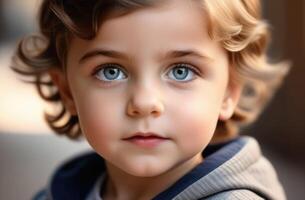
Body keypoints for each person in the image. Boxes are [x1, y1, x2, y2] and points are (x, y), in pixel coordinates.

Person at [11, 0, 289, 199]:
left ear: (230, 91)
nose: (144, 102)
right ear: (68, 91)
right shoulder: (59, 191)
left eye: (181, 71)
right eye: (111, 72)